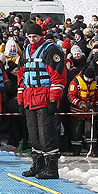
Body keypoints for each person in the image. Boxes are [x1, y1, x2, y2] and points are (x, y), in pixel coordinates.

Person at [17, 23, 66, 179]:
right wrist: (20, 100)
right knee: (33, 135)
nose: (32, 40)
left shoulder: (50, 51)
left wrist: (54, 100)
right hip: (29, 97)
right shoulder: (25, 52)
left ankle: (51, 168)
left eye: (35, 37)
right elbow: (21, 77)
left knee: (47, 134)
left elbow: (57, 78)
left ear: (41, 36)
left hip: (45, 98)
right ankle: (38, 165)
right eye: (30, 37)